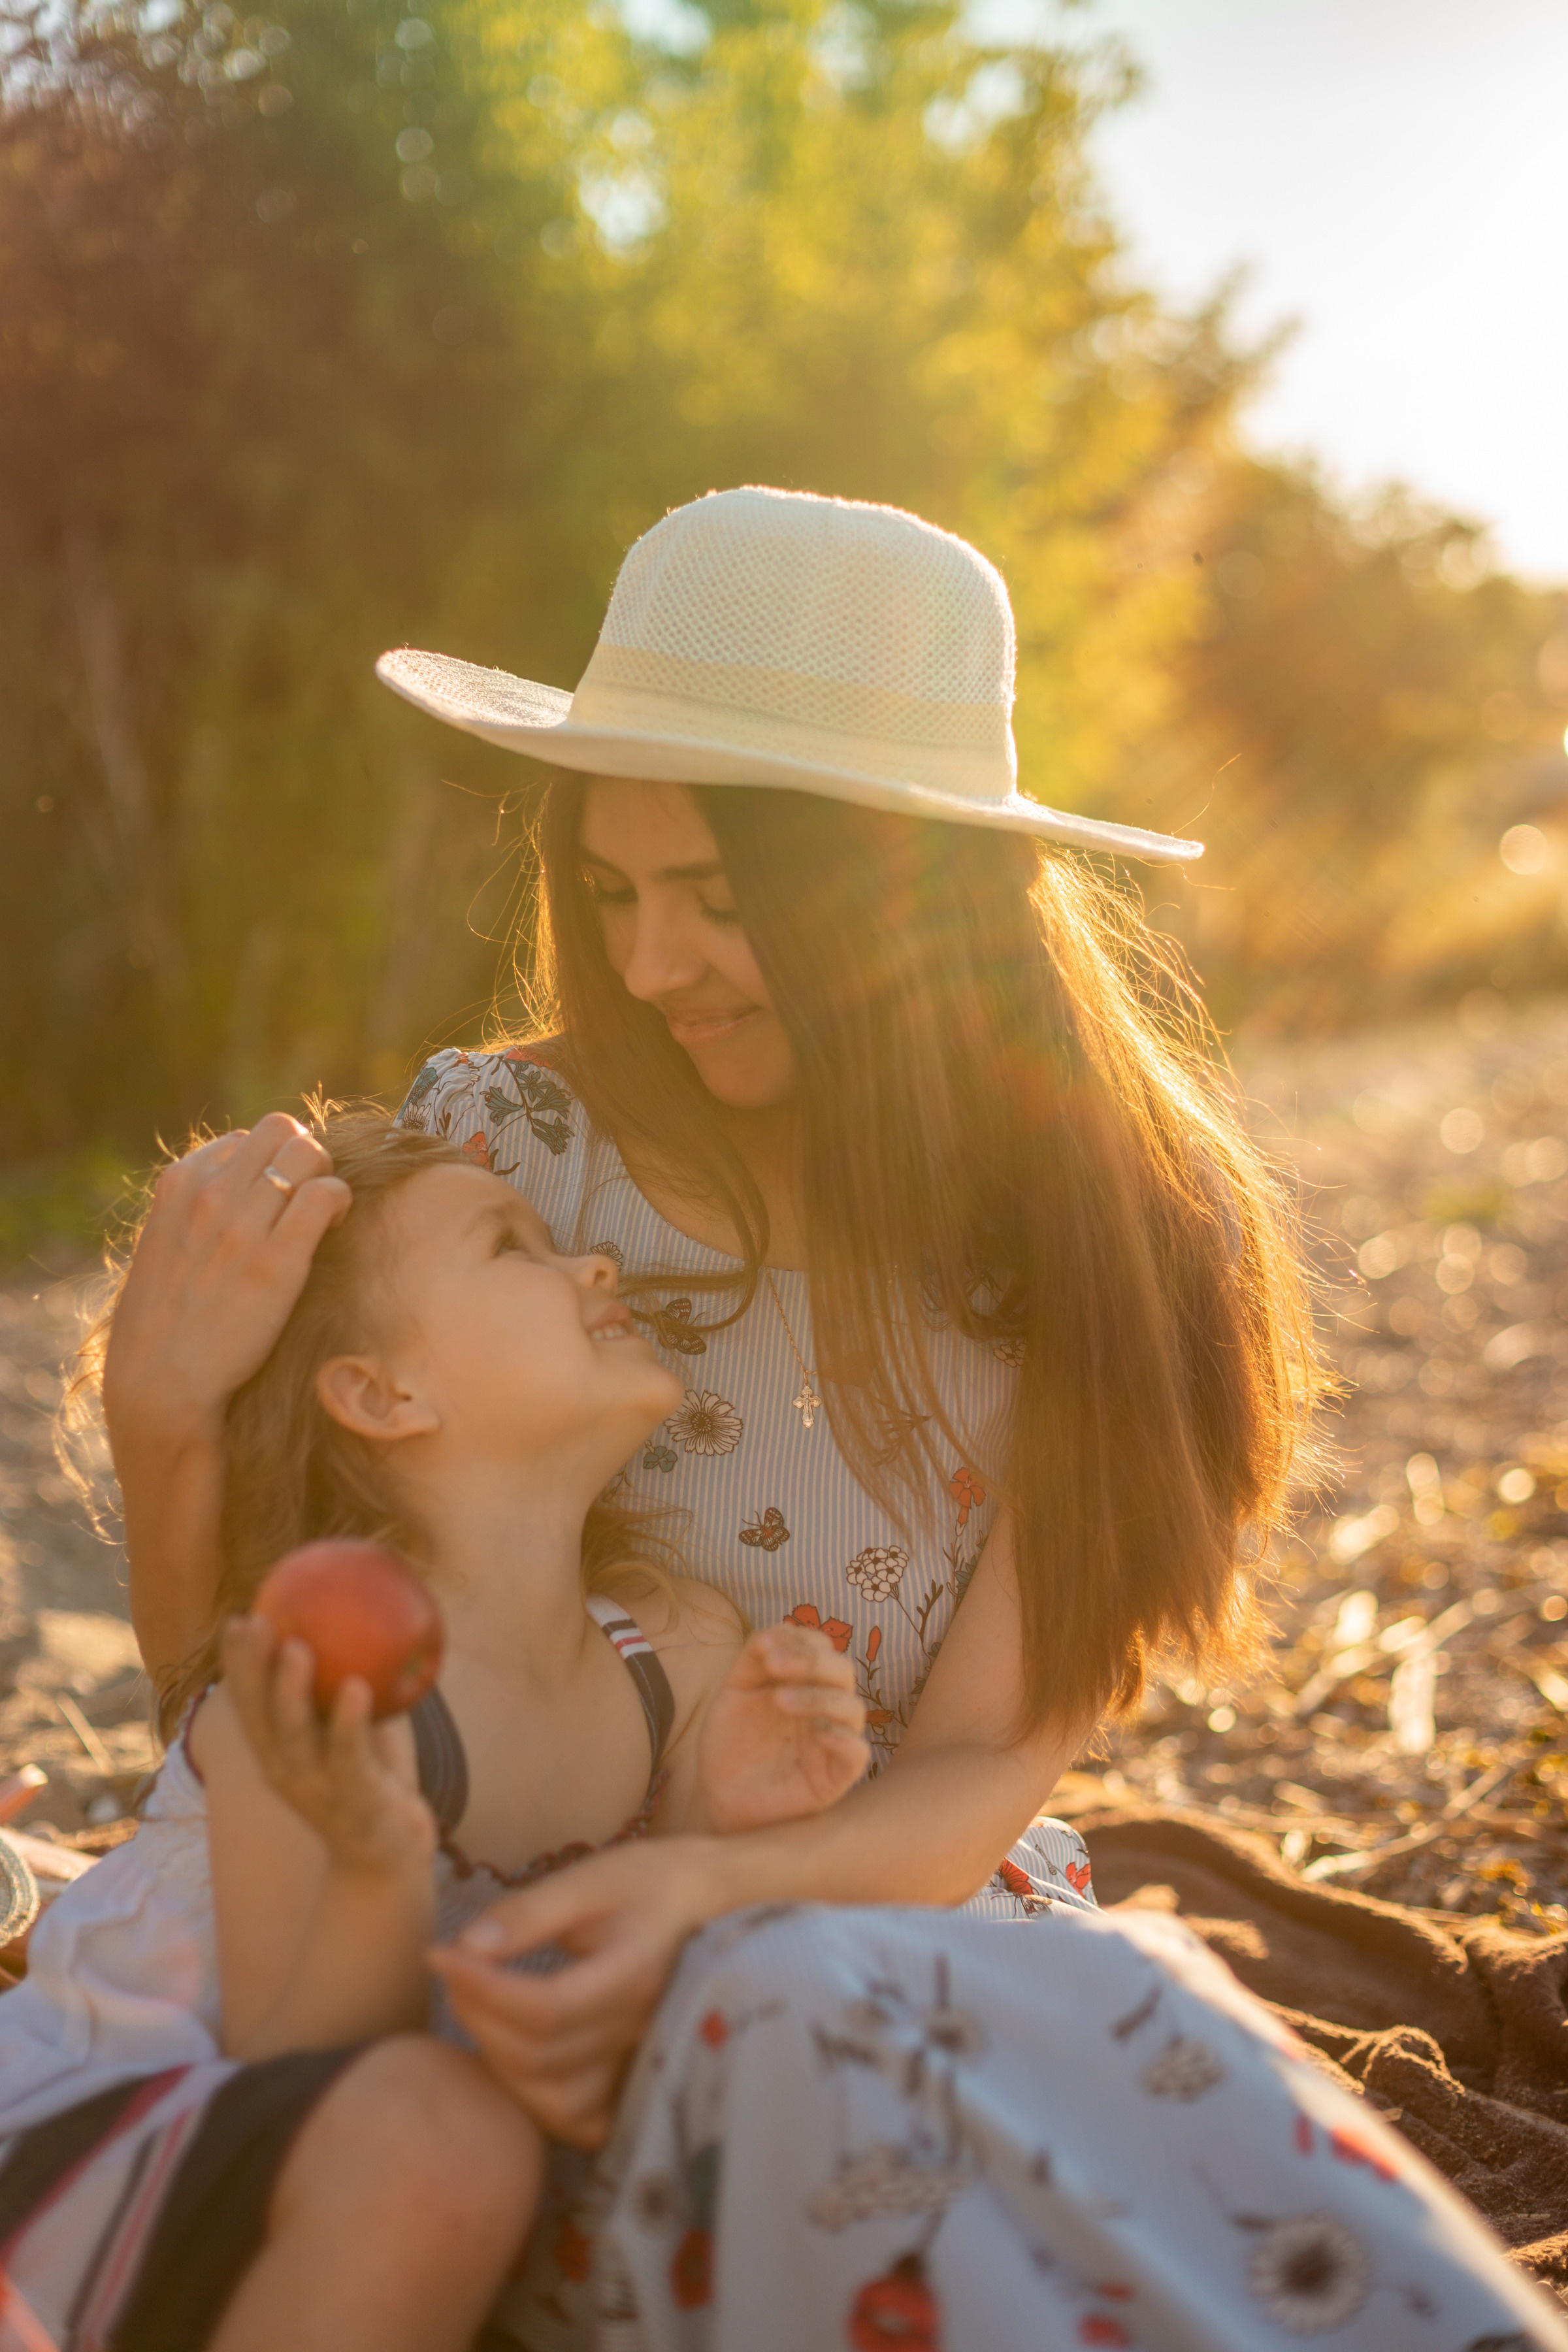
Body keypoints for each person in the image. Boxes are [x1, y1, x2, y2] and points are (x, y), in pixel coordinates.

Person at [100, 489, 1565, 2348]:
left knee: (1121, 2041)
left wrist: (723, 1877)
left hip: (895, 1894)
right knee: (765, 2075)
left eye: (719, 901)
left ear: (906, 896)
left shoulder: (1102, 1234)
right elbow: (246, 1727)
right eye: (617, 892)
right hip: (524, 1948)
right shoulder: (510, 1154)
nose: (646, 965)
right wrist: (168, 1424)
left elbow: (986, 1758)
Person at [1, 1109, 866, 2352]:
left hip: (383, 2209)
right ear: (380, 1393)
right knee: (440, 2131)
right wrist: (373, 1866)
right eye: (516, 1249)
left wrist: (728, 1813)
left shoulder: (674, 1650)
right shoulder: (315, 1681)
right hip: (129, 2163)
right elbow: (304, 2081)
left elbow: (644, 1953)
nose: (595, 1266)